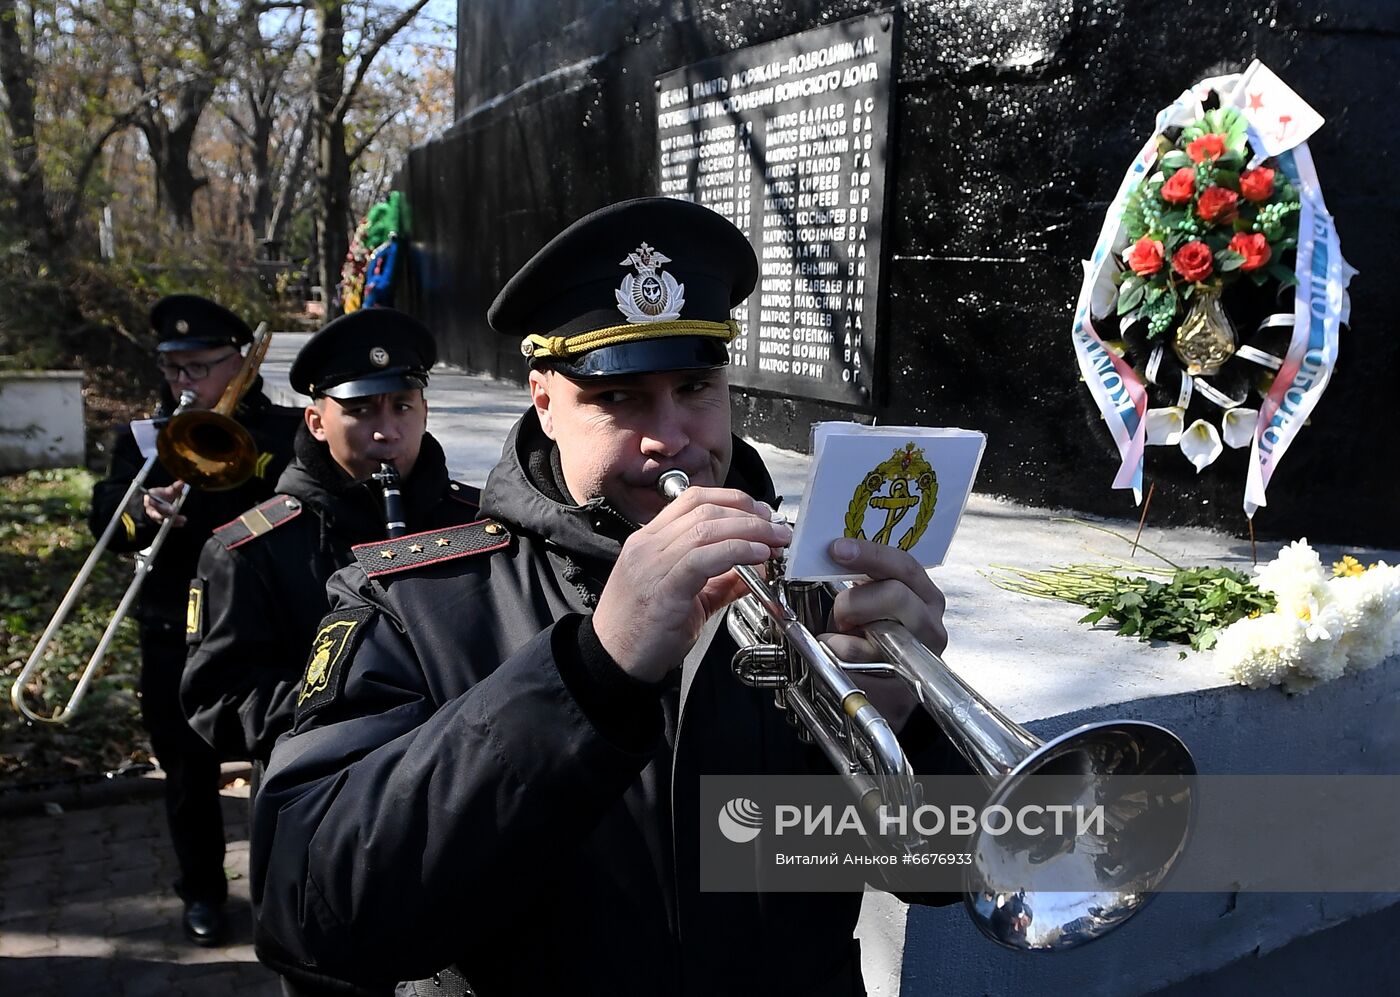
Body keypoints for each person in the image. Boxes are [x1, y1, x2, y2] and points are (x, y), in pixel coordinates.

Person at [251, 198, 961, 994]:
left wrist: (902, 735)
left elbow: (949, 870)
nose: (671, 435)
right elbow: (310, 913)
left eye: (695, 384)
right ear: (546, 402)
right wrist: (590, 674)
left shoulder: (814, 591)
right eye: (618, 397)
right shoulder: (415, 600)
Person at [89, 293, 301, 946]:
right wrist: (141, 511)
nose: (182, 383)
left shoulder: (287, 431)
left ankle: (289, 889)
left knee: (285, 759)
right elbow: (106, 522)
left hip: (266, 625)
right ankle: (203, 890)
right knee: (186, 770)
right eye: (172, 368)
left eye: (197, 367)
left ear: (238, 363)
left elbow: (301, 508)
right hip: (173, 627)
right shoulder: (144, 440)